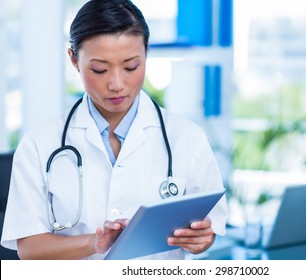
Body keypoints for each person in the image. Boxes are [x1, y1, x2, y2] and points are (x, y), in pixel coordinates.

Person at [0, 0, 228, 260]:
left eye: (131, 66)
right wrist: (94, 243)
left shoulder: (187, 137)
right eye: (100, 69)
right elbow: (28, 249)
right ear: (74, 59)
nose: (117, 84)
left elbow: (210, 229)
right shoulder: (39, 144)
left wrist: (201, 239)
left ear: (146, 53)